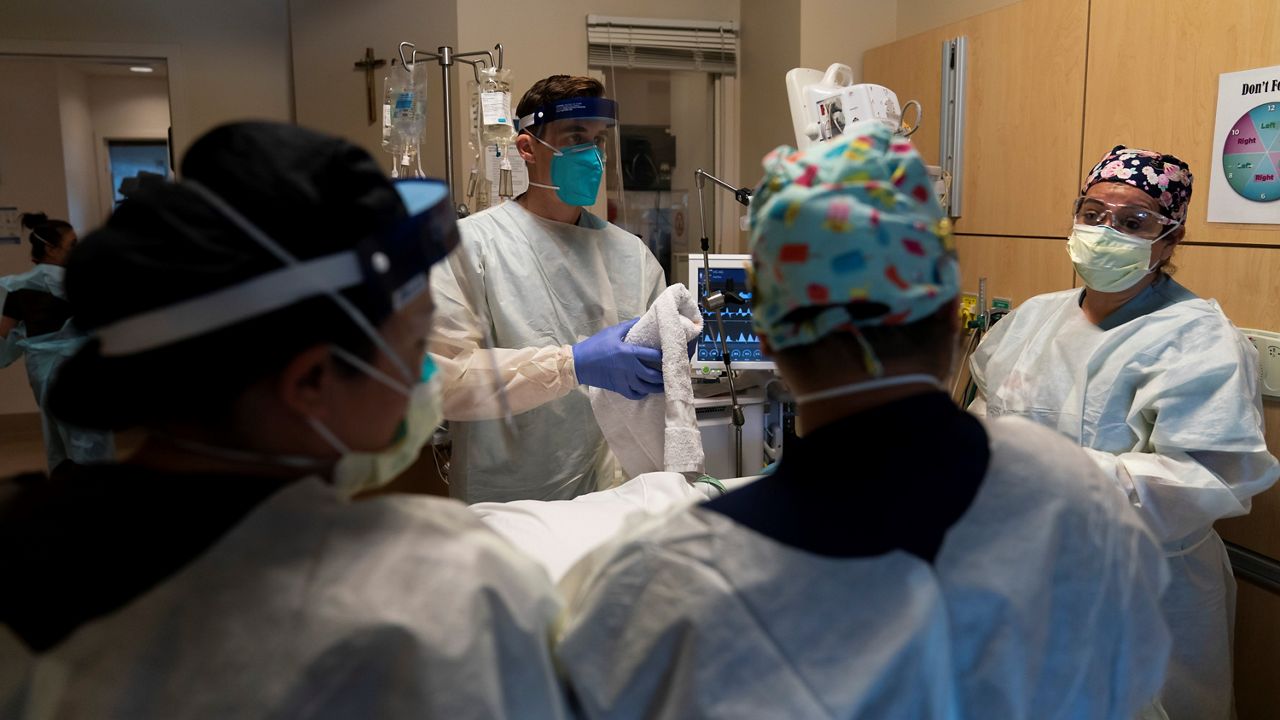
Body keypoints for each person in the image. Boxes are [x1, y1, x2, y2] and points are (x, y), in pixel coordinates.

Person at [555, 125, 1171, 719]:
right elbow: (1133, 675)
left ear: (767, 331)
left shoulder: (665, 585)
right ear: (955, 321)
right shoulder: (1080, 501)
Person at [0, 122, 570, 719]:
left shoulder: (19, 544)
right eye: (413, 347)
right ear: (312, 383)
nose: (425, 375)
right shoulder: (439, 595)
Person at [969, 144, 1280, 720]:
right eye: (1092, 214)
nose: (1105, 230)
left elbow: (1205, 479)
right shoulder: (1035, 318)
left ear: (1169, 240)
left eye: (1134, 221)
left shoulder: (1201, 340)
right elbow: (989, 410)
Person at [429, 75, 668, 503]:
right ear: (527, 148)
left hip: (612, 496)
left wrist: (671, 351)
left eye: (598, 140)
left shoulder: (631, 256)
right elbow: (444, 381)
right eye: (576, 137)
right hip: (508, 502)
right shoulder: (469, 248)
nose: (593, 155)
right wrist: (570, 365)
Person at [0, 213, 114, 472]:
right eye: (72, 244)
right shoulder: (78, 283)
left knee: (57, 441)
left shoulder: (17, 287)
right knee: (88, 441)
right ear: (51, 250)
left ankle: (66, 492)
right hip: (78, 373)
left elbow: (3, 334)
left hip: (41, 374)